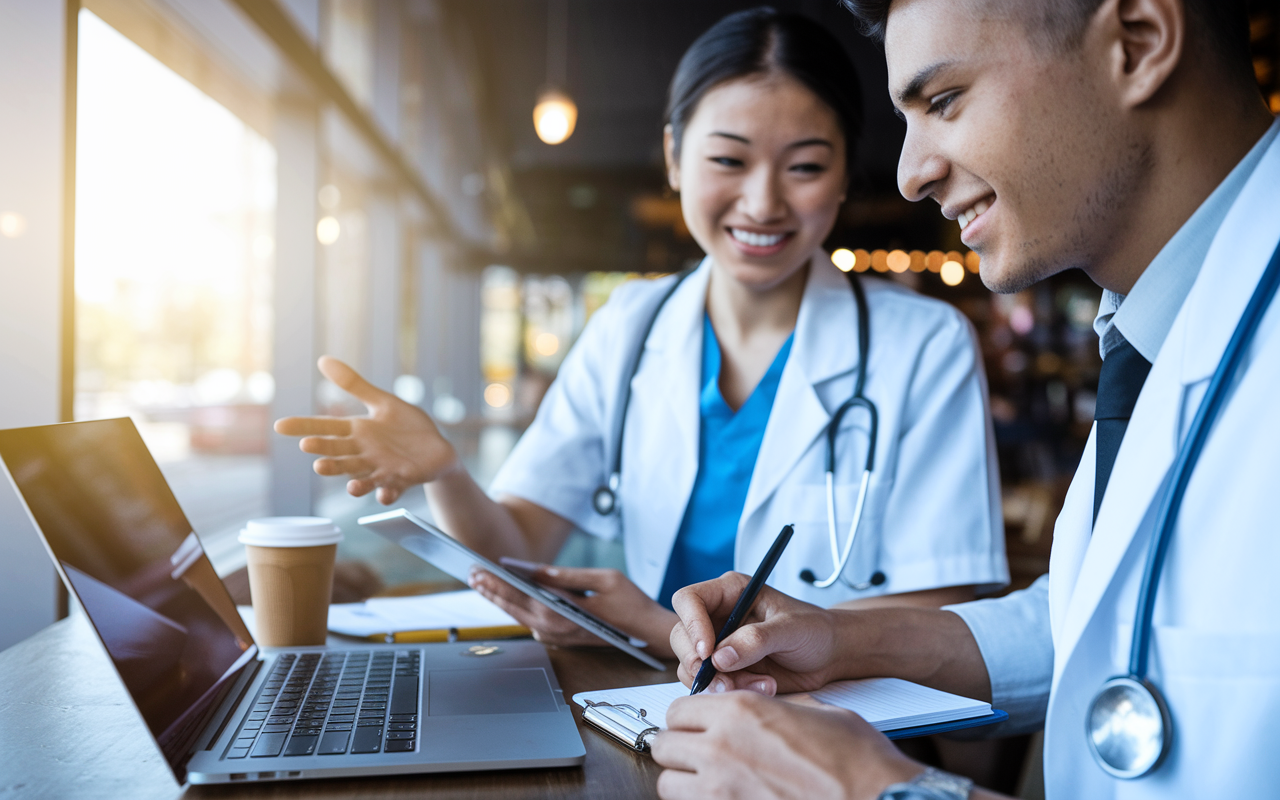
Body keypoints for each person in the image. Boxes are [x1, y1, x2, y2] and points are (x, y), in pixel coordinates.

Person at [658, 0, 1278, 797]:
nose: (912, 172)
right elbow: (1088, 626)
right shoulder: (1156, 331)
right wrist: (841, 640)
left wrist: (883, 791)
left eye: (944, 101)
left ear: (1139, 43)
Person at [275, 7, 1008, 658]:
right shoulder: (629, 328)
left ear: (847, 173)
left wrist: (657, 630)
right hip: (654, 716)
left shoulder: (923, 345)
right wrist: (447, 474)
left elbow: (947, 623)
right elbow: (518, 550)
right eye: (727, 159)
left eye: (806, 167)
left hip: (841, 734)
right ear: (673, 159)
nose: (763, 201)